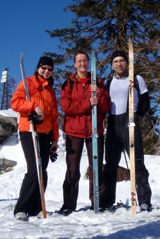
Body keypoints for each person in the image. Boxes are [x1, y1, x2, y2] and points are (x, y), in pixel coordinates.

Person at [59, 51, 111, 216]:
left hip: (94, 131)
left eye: (84, 61)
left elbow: (106, 107)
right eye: (79, 61)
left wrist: (99, 94)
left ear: (88, 63)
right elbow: (67, 108)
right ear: (74, 64)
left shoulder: (97, 82)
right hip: (74, 131)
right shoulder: (69, 83)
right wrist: (87, 103)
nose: (82, 64)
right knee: (72, 169)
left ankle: (98, 201)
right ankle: (69, 204)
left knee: (96, 167)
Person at [100, 50, 152, 212]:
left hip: (130, 121)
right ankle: (107, 201)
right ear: (112, 65)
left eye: (121, 60)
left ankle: (144, 200)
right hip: (113, 122)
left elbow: (145, 101)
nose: (119, 64)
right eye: (115, 61)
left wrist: (137, 117)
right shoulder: (108, 81)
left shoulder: (136, 79)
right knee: (110, 164)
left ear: (127, 63)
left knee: (137, 162)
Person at [11, 56, 59, 221]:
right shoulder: (28, 83)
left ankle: (37, 206)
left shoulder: (51, 91)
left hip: (46, 134)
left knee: (42, 172)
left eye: (50, 69)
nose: (46, 71)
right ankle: (22, 208)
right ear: (38, 68)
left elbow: (54, 117)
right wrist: (33, 106)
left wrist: (55, 139)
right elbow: (15, 102)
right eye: (43, 68)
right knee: (34, 169)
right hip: (29, 131)